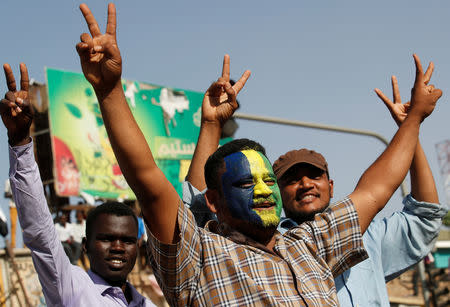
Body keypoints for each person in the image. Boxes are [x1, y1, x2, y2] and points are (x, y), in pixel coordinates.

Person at [75, 3, 443, 306]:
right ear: (215, 201)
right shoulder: (197, 256)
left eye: (268, 180)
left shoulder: (308, 244)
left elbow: (376, 190)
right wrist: (110, 92)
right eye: (247, 183)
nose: (266, 190)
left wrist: (413, 120)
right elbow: (147, 179)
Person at [272, 73, 447, 306]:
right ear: (278, 194)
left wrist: (409, 130)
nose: (306, 185)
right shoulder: (274, 244)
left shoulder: (368, 237)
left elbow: (424, 217)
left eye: (314, 175)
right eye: (292, 180)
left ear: (331, 187)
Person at [1, 63, 156, 306]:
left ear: (137, 247)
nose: (117, 247)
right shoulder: (71, 288)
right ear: (85, 246)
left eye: (126, 241)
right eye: (106, 238)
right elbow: (41, 234)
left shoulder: (147, 304)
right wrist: (20, 142)